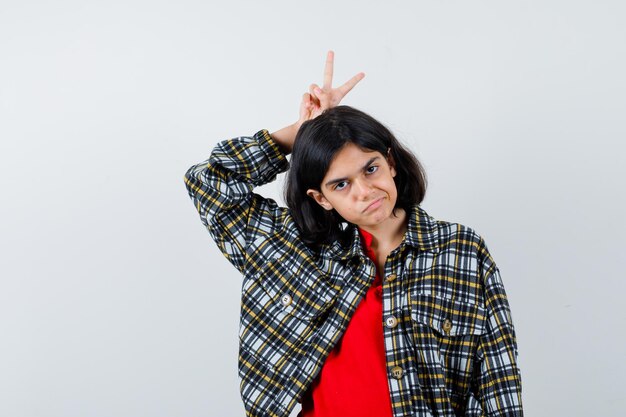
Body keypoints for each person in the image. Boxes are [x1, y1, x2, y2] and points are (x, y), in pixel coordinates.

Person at [183, 50, 523, 417]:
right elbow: (208, 182)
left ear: (390, 163)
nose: (364, 191)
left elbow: (496, 383)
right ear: (321, 198)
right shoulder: (292, 251)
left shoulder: (460, 251)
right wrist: (299, 135)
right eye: (341, 184)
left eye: (371, 169)